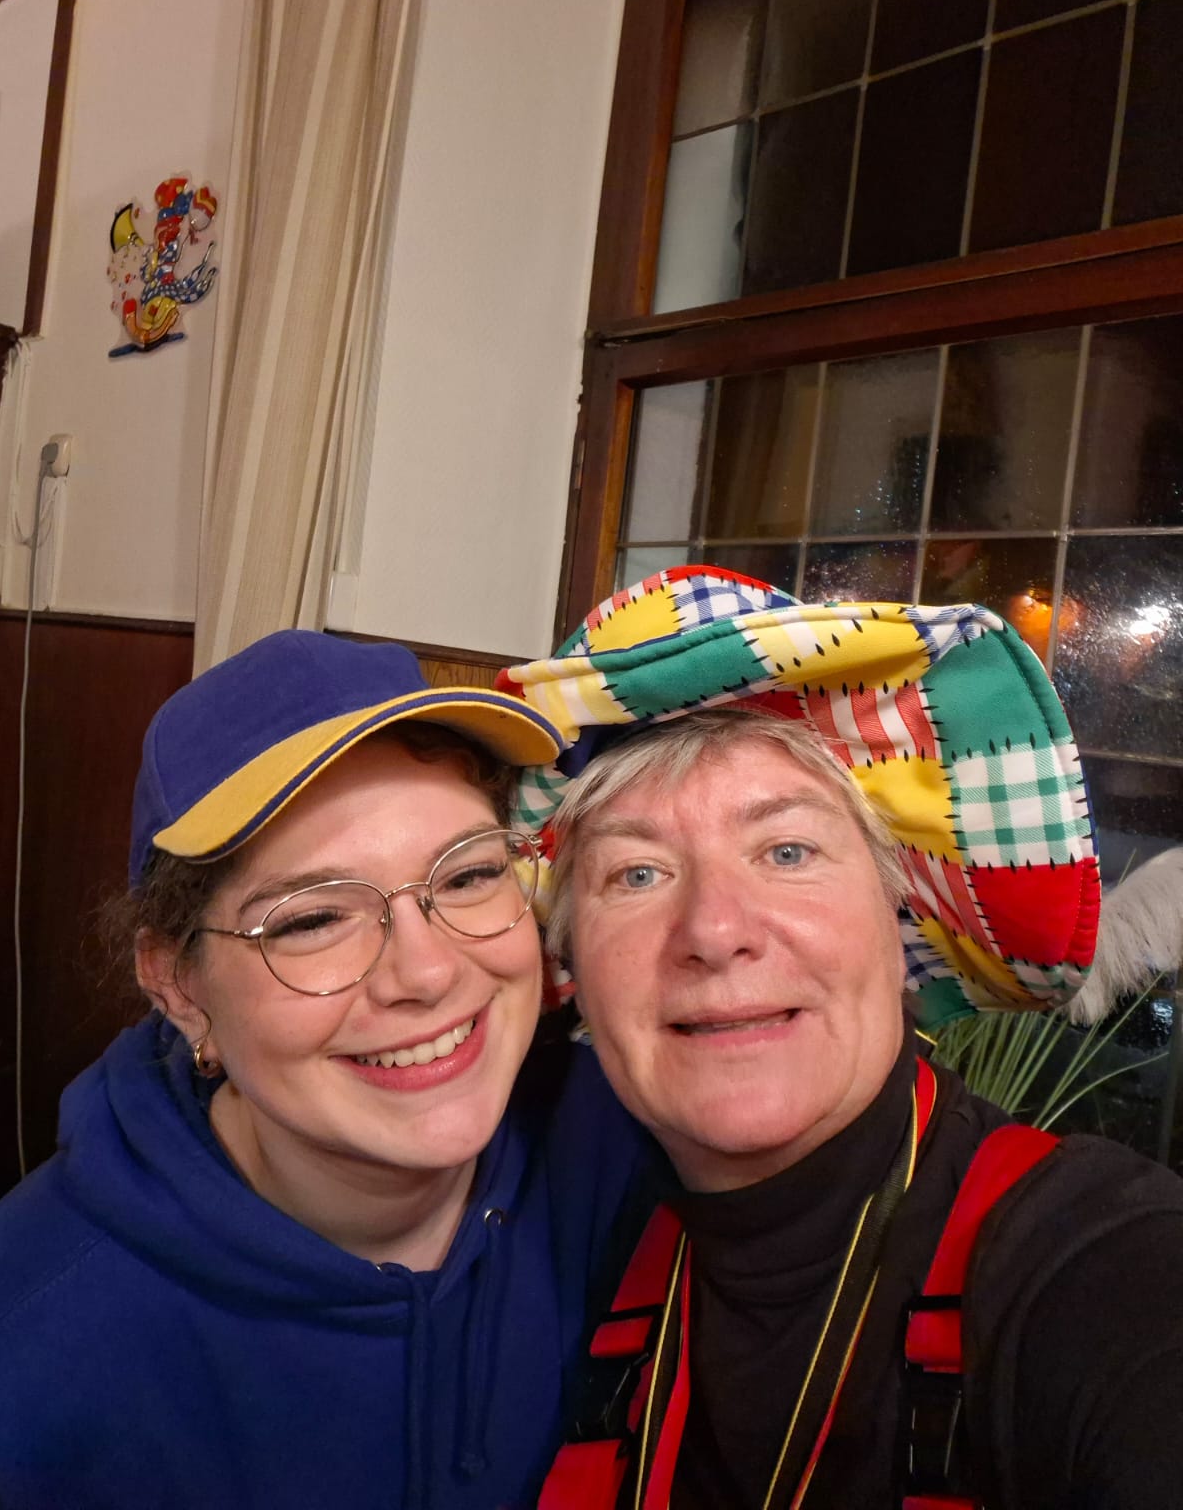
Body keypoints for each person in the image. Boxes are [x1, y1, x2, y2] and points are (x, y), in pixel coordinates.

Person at [500, 565, 1183, 1510]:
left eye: (787, 851)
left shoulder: (1097, 1265)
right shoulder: (561, 1246)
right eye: (637, 874)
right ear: (573, 959)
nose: (714, 931)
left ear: (901, 920)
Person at [0, 631, 651, 1510]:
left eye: (468, 875)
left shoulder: (640, 1153)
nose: (427, 973)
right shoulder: (17, 1354)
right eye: (311, 920)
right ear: (179, 987)